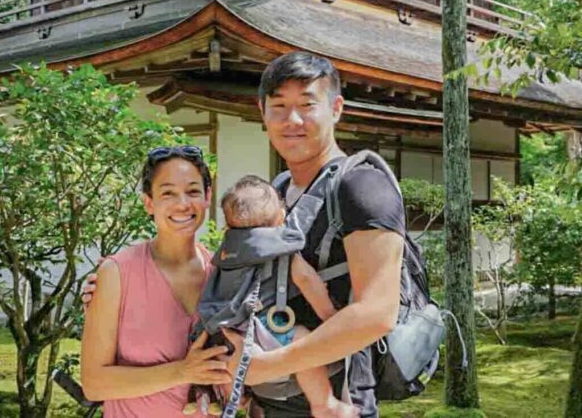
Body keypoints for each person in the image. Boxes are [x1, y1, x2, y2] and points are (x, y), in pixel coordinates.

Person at [85, 52, 405, 418]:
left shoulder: (361, 185)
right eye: (279, 106)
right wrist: (112, 288)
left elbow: (378, 313)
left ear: (336, 108)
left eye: (307, 104)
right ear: (262, 112)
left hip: (335, 401)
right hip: (267, 404)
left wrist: (264, 366)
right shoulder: (278, 191)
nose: (293, 119)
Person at [183, 175, 357, 418]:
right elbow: (308, 281)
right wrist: (330, 317)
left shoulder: (227, 253)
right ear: (280, 218)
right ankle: (324, 404)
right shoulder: (283, 254)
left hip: (225, 336)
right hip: (264, 332)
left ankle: (226, 397)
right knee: (303, 340)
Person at [80, 145, 234, 417]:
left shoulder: (220, 273)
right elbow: (93, 384)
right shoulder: (117, 274)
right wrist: (181, 371)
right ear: (149, 202)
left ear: (208, 196)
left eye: (193, 191)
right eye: (168, 193)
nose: (182, 203)